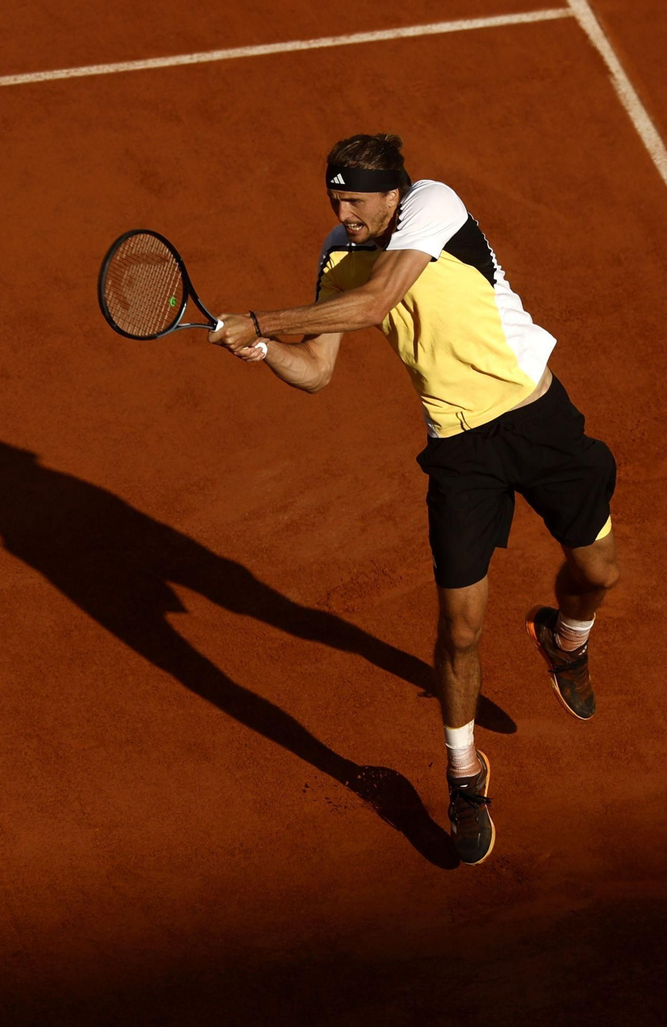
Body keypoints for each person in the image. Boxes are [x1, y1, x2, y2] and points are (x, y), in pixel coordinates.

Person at [209, 133, 620, 865]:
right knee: (460, 628)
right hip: (460, 452)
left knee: (598, 572)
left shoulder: (436, 203)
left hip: (537, 417)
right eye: (336, 199)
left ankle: (568, 637)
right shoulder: (338, 254)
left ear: (394, 192)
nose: (344, 211)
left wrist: (260, 319)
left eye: (356, 199)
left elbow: (376, 305)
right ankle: (464, 776)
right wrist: (267, 350)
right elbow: (317, 373)